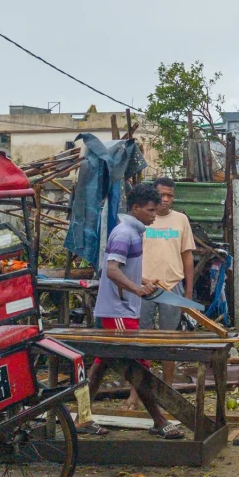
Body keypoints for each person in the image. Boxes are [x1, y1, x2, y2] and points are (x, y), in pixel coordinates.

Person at [79, 182, 184, 439]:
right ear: (135, 208)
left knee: (102, 364)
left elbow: (123, 269)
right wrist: (136, 290)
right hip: (119, 310)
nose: (153, 214)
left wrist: (143, 281)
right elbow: (111, 270)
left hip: (122, 308)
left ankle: (82, 418)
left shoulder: (134, 231)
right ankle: (159, 421)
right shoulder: (124, 233)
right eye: (149, 210)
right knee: (141, 365)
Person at [121, 176, 196, 411]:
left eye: (170, 196)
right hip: (141, 287)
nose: (165, 200)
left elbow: (187, 256)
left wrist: (189, 293)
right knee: (140, 342)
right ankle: (135, 394)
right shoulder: (141, 220)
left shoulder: (181, 220)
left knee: (168, 341)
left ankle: (167, 392)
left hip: (172, 286)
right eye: (161, 195)